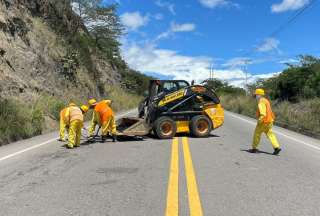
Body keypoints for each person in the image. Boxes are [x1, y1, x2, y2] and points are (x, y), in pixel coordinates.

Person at [249, 89, 282, 155]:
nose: (255, 96)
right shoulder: (266, 100)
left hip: (263, 121)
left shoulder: (261, 102)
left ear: (259, 95)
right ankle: (276, 147)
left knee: (257, 134)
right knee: (270, 134)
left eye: (256, 95)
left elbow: (263, 113)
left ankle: (254, 148)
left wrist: (259, 121)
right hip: (270, 121)